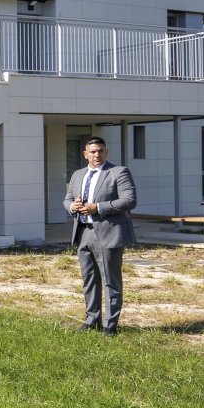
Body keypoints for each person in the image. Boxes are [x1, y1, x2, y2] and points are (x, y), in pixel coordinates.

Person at [65, 136, 137, 336]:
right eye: (93, 151)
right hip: (83, 232)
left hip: (108, 233)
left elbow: (129, 200)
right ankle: (92, 320)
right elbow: (67, 199)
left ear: (106, 152)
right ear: (85, 154)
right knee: (89, 279)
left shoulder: (118, 172)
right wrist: (73, 206)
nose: (97, 155)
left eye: (100, 151)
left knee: (110, 281)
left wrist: (97, 208)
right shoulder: (78, 174)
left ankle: (110, 325)